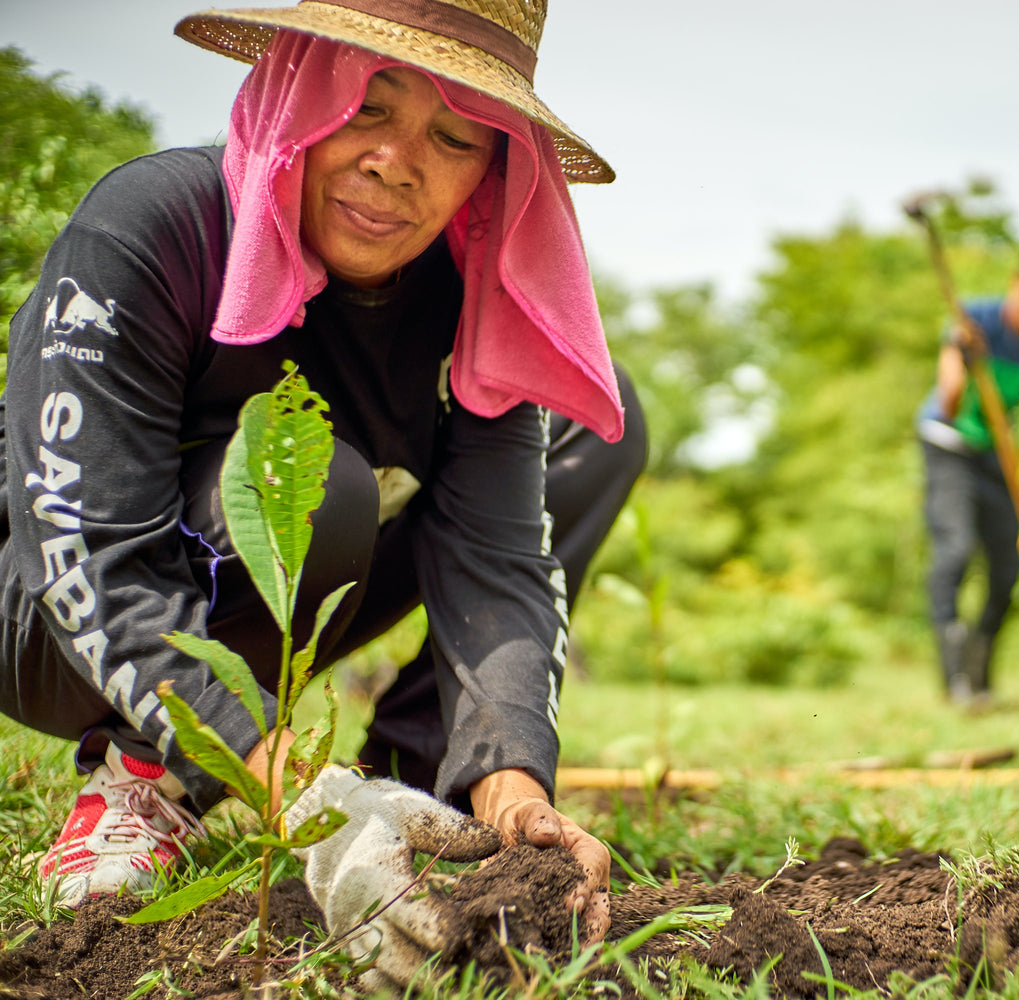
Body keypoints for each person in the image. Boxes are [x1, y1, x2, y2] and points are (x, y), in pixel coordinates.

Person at [0, 0, 647, 986]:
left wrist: (516, 797)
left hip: (267, 597)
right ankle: (151, 772)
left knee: (602, 422)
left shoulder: (475, 296)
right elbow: (92, 554)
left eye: (454, 136)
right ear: (304, 93)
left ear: (494, 166)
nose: (396, 162)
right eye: (368, 109)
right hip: (49, 614)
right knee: (314, 483)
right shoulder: (156, 227)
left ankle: (413, 787)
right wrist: (308, 797)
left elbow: (500, 561)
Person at [914, 251, 1019, 707]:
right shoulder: (974, 319)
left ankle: (980, 676)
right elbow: (948, 402)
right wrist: (962, 358)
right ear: (1016, 282)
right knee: (956, 549)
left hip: (996, 455)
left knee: (1007, 569)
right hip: (946, 442)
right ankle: (955, 679)